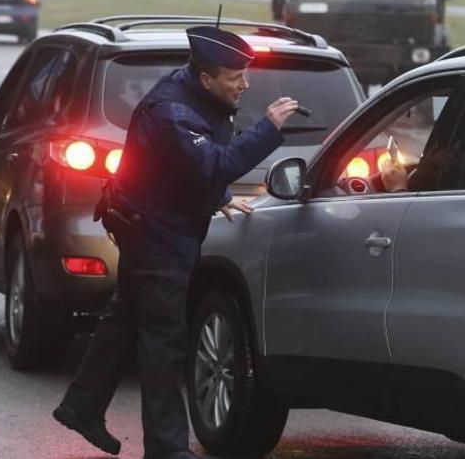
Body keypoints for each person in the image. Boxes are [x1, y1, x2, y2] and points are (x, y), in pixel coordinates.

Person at [52, 25, 299, 459]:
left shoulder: (195, 95)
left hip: (151, 225)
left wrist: (217, 198)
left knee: (124, 318)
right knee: (164, 342)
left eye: (244, 75)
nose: (245, 85)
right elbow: (212, 163)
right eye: (235, 77)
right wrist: (268, 128)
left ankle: (81, 405)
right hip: (157, 237)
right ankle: (166, 448)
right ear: (205, 78)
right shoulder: (173, 113)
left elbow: (178, 170)